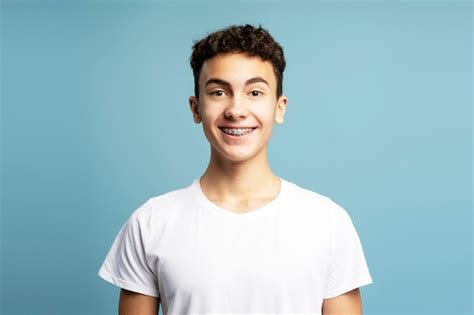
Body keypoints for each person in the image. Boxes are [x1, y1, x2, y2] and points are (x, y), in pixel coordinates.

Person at [98, 24, 373, 315]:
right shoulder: (151, 223)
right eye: (218, 92)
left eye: (255, 92)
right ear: (196, 108)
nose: (236, 110)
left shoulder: (327, 222)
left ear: (279, 107)